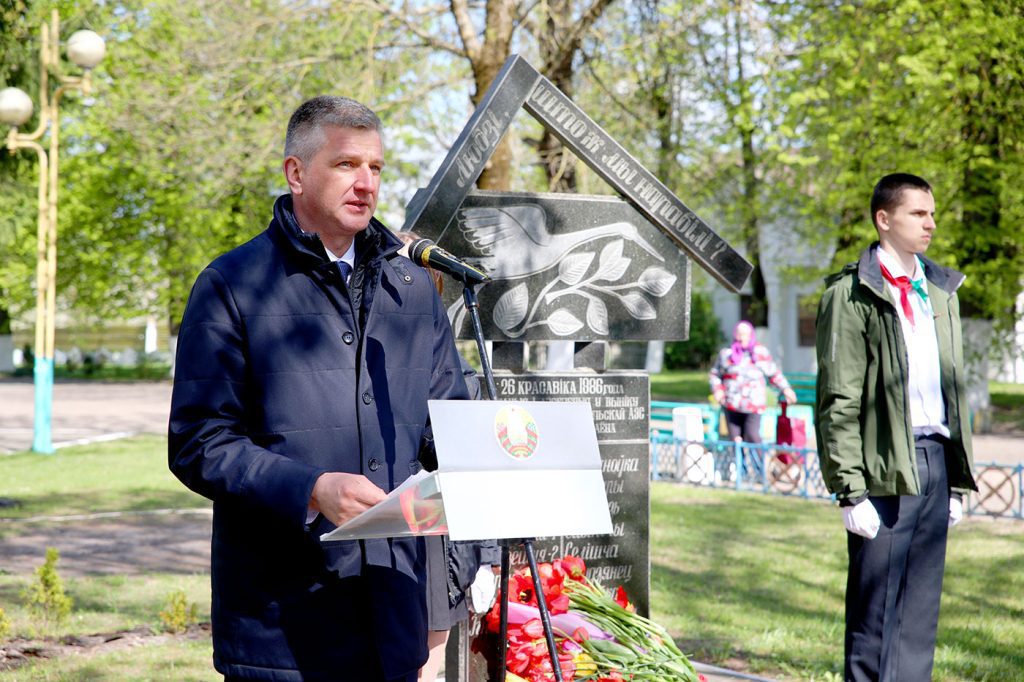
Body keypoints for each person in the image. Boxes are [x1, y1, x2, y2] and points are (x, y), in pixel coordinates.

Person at [168, 96, 470, 682]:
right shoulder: (232, 284)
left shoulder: (413, 288)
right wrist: (312, 489)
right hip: (282, 629)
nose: (365, 183)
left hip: (392, 612)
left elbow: (446, 424)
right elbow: (199, 443)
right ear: (296, 172)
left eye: (376, 168)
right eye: (346, 165)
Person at [814, 172, 978, 681]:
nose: (930, 224)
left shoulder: (939, 289)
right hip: (882, 467)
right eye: (918, 214)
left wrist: (953, 478)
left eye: (931, 213)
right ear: (884, 220)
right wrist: (849, 493)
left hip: (933, 460)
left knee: (918, 615)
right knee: (875, 618)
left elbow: (952, 388)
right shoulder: (851, 294)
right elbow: (838, 399)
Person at [395, 231, 500, 682]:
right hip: (383, 526)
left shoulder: (457, 372)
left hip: (435, 536)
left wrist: (490, 556)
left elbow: (479, 468)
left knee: (429, 664)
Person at [709, 320, 796, 445]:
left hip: (753, 404)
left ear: (750, 335)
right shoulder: (726, 354)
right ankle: (740, 464)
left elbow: (774, 373)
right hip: (731, 403)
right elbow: (715, 374)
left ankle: (758, 464)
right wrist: (718, 390)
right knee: (735, 440)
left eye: (745, 334)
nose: (741, 337)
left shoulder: (760, 353)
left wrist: (786, 389)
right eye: (739, 334)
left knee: (752, 436)